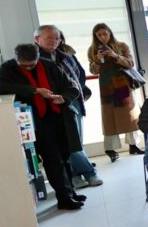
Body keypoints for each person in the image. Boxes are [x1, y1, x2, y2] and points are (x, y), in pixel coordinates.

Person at [0, 44, 85, 211]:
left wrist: (63, 98)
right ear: (17, 59)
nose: (29, 68)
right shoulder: (8, 68)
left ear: (38, 58)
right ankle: (64, 198)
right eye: (24, 65)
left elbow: (71, 86)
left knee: (65, 156)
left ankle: (70, 192)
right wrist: (35, 91)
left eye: (32, 64)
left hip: (58, 117)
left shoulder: (49, 65)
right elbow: (2, 88)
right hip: (35, 121)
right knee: (53, 160)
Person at [35, 25, 102, 188]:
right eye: (49, 37)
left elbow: (79, 75)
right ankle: (87, 173)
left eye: (57, 38)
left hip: (72, 102)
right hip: (48, 108)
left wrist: (69, 95)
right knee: (66, 144)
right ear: (37, 39)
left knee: (75, 141)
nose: (54, 41)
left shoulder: (65, 56)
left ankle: (77, 175)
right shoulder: (33, 58)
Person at [88, 23, 142, 161]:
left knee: (129, 115)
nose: (102, 37)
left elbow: (130, 63)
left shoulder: (121, 46)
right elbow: (93, 71)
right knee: (109, 117)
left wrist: (115, 55)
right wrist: (98, 59)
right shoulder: (92, 49)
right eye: (99, 35)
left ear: (110, 33)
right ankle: (110, 149)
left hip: (122, 83)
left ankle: (133, 144)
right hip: (106, 86)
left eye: (105, 34)